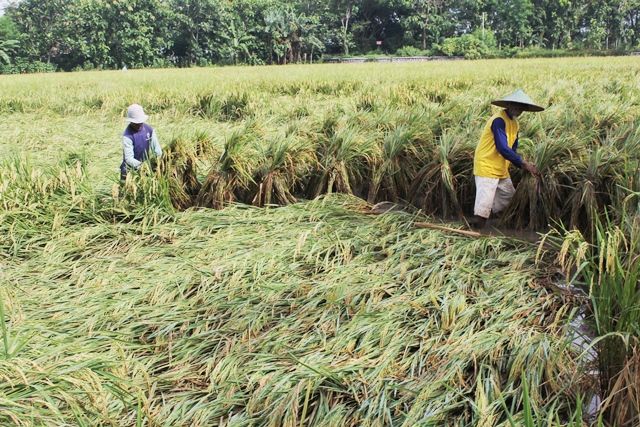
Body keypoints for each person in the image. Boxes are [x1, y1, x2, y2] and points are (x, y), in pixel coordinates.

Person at [471, 89, 544, 229]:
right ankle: (477, 235)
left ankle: (501, 229)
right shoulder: (498, 121)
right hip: (487, 166)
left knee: (509, 200)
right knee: (483, 207)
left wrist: (522, 164)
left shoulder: (515, 124)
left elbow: (513, 148)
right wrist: (524, 164)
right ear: (508, 104)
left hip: (501, 168)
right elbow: (503, 148)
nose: (518, 109)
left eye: (521, 107)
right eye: (515, 105)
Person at [120, 104, 162, 180]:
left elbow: (157, 149)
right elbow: (129, 158)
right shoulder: (127, 136)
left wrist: (158, 159)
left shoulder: (149, 130)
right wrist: (142, 166)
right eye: (136, 123)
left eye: (140, 122)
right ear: (131, 122)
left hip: (145, 166)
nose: (139, 124)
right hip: (130, 169)